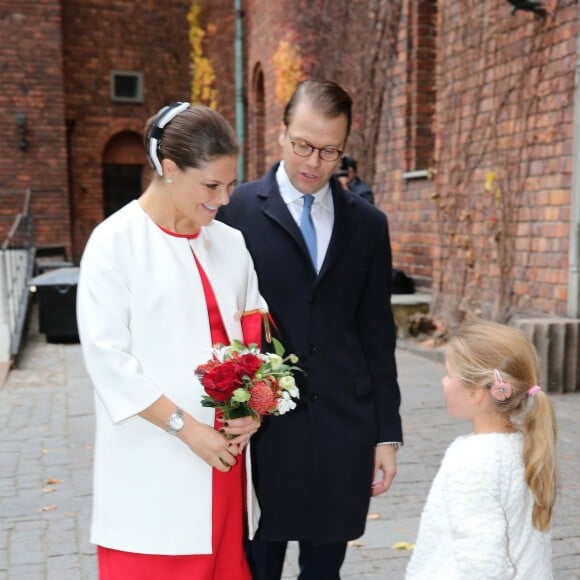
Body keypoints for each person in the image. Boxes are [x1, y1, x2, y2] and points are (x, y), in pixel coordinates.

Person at [218, 79, 402, 580]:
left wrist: (386, 434)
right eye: (303, 144)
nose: (313, 162)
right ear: (281, 132)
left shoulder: (367, 224)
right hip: (263, 434)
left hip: (343, 428)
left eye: (329, 151)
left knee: (324, 571)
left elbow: (377, 334)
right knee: (257, 567)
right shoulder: (232, 213)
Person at [76, 102, 267, 580]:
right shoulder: (113, 243)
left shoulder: (231, 243)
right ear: (168, 168)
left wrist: (255, 407)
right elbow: (108, 360)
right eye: (211, 185)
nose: (223, 198)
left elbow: (253, 335)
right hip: (152, 470)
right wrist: (186, 427)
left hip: (222, 467)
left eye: (230, 185)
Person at [406, 321, 557, 579]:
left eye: (449, 374)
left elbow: (483, 565)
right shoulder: (526, 443)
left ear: (476, 393)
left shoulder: (471, 461)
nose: (443, 382)